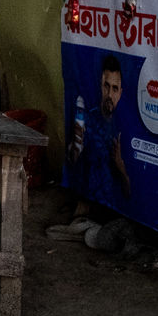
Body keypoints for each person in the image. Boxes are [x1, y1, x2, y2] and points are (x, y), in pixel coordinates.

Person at [48, 54, 132, 243]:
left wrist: (121, 168)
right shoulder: (89, 120)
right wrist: (76, 142)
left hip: (115, 209)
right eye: (106, 86)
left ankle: (93, 228)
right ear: (101, 86)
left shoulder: (125, 129)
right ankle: (86, 222)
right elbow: (74, 160)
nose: (109, 94)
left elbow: (130, 194)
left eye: (115, 89)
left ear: (120, 92)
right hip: (91, 203)